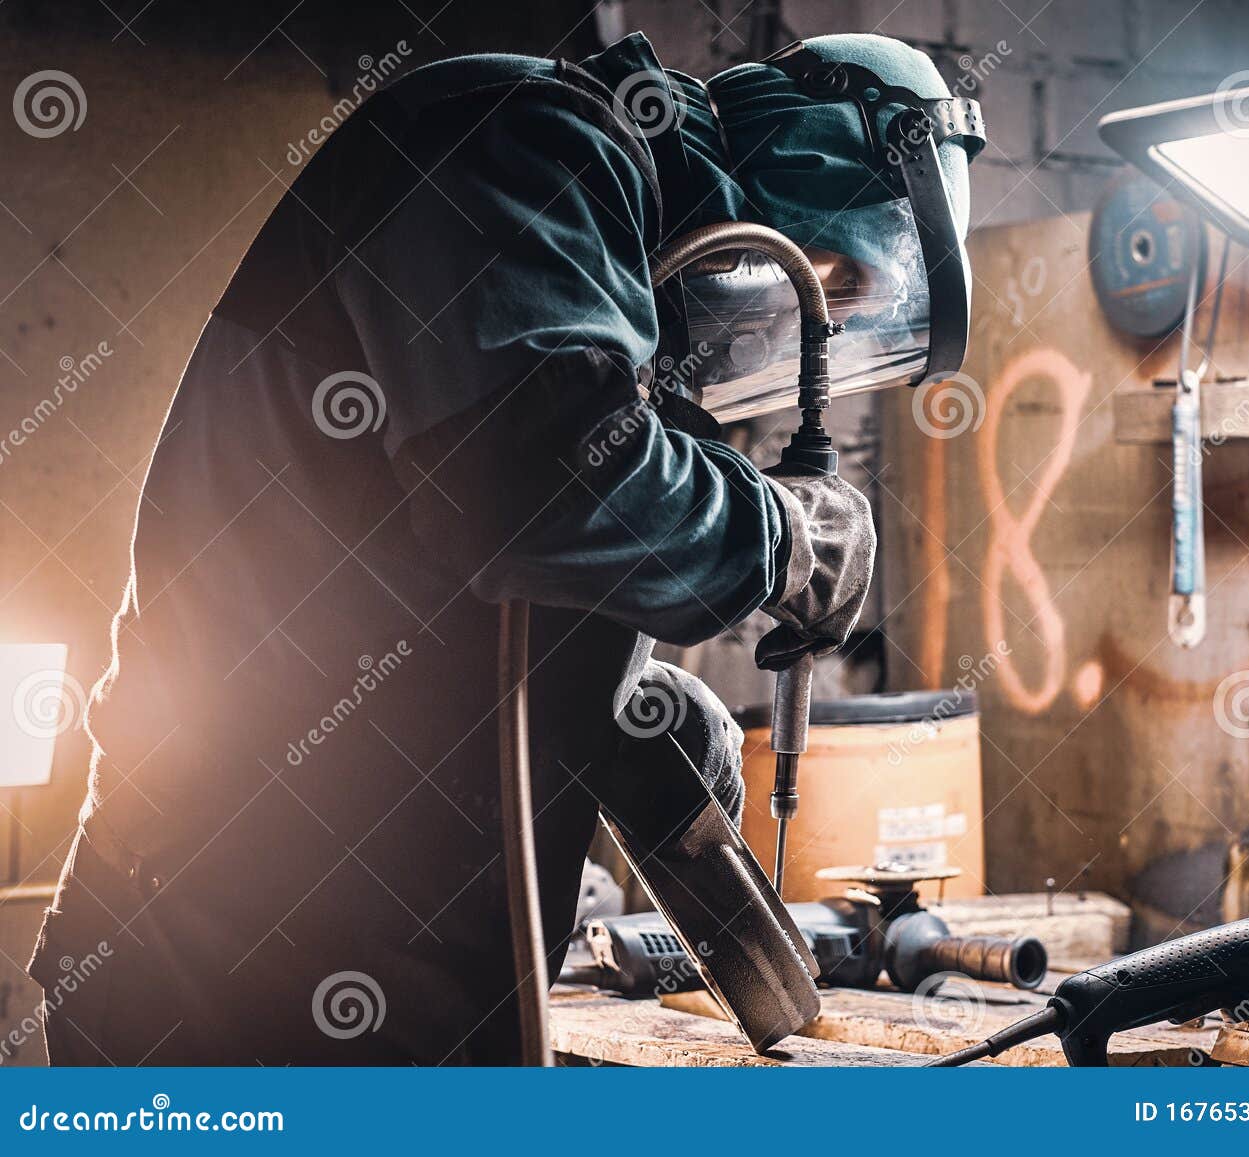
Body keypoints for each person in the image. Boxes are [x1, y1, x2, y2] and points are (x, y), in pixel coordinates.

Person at [31, 31, 981, 1064]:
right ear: (792, 176)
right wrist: (781, 535)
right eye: (828, 282)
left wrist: (607, 701)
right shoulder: (521, 142)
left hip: (371, 956)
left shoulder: (610, 277)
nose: (798, 327)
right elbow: (542, 482)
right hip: (229, 957)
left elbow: (430, 558)